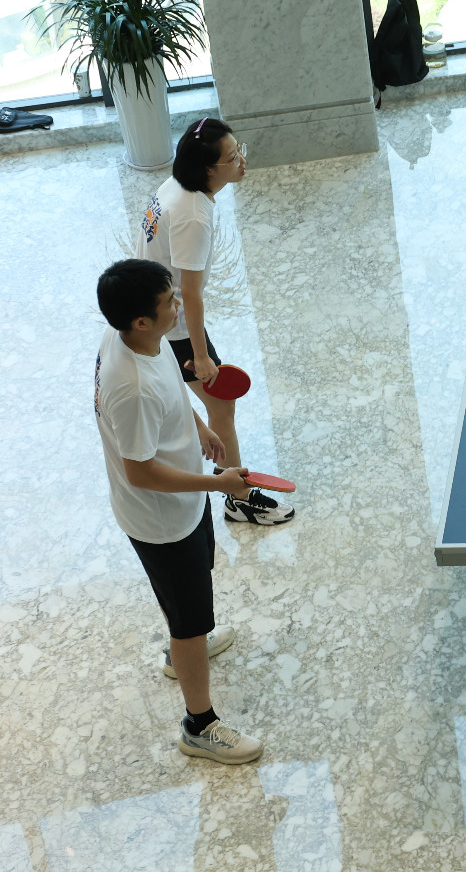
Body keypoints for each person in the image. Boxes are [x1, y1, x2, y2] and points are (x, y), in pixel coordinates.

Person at [94, 258, 264, 764]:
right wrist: (218, 483)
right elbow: (141, 472)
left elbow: (167, 381)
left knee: (191, 600)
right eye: (170, 302)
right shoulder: (132, 389)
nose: (179, 306)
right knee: (189, 620)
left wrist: (200, 426)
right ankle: (199, 725)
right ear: (141, 319)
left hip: (183, 504)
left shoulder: (135, 339)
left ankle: (185, 645)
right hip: (162, 520)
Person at [138, 119, 292, 527]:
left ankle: (228, 484)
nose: (242, 161)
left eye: (239, 150)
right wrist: (201, 356)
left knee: (212, 405)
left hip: (155, 309)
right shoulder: (194, 215)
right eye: (232, 157)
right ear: (208, 169)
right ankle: (238, 498)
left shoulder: (175, 187)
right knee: (220, 404)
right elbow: (190, 293)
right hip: (170, 324)